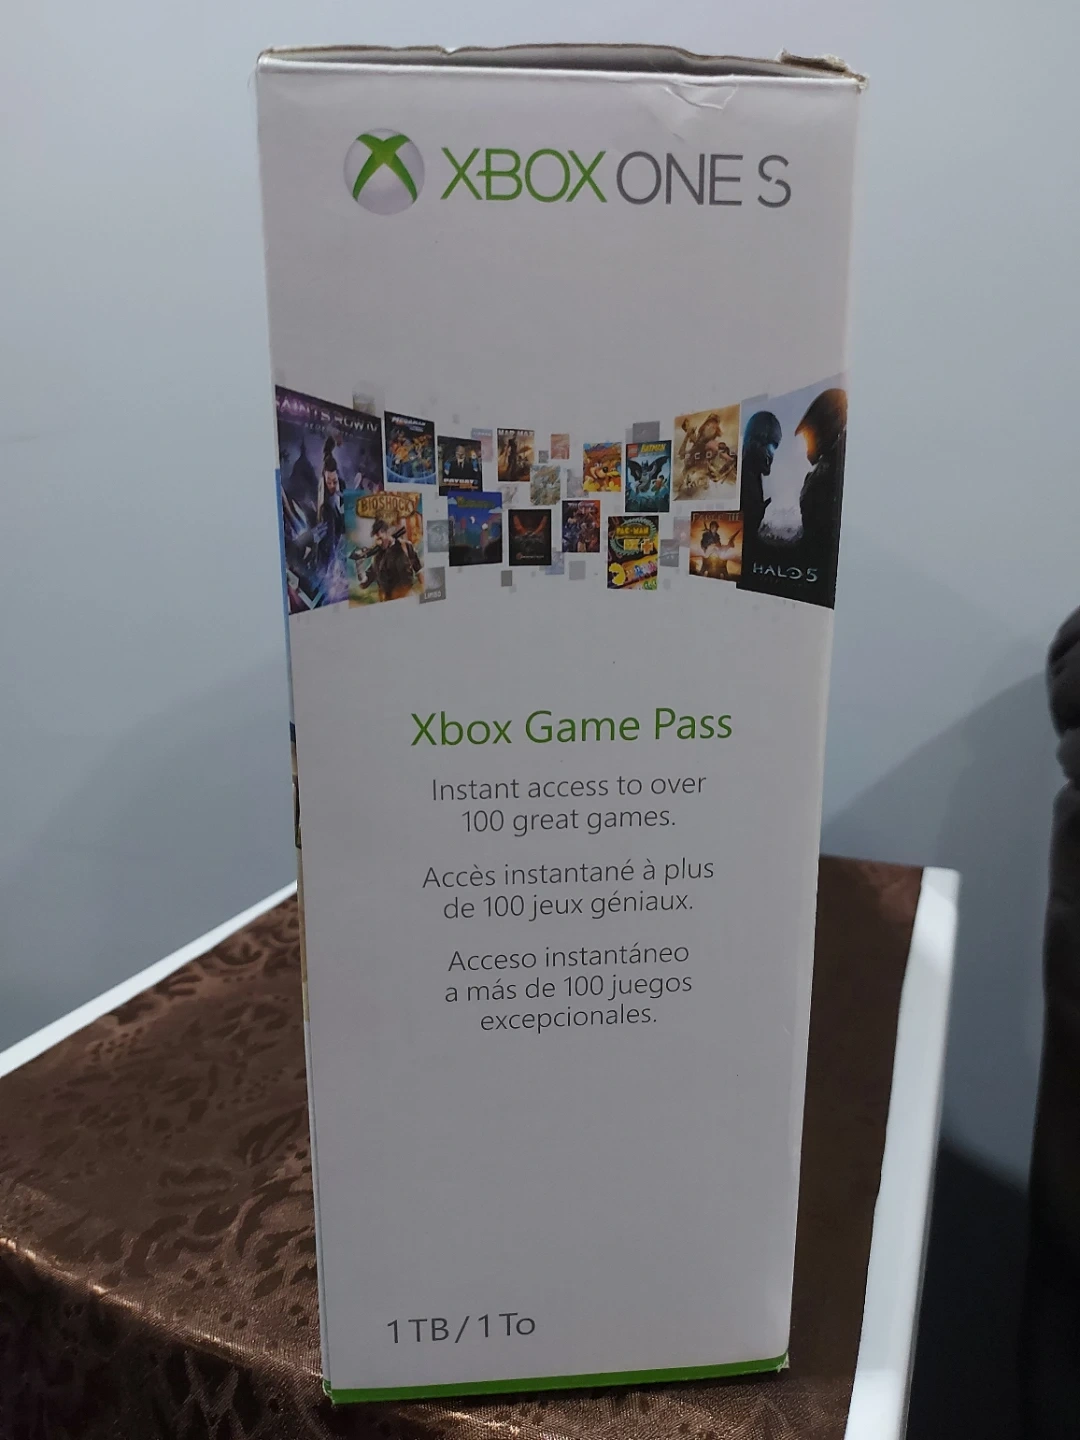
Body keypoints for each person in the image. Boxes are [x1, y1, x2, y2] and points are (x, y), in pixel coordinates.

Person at [355, 518, 420, 601]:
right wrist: (359, 567)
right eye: (377, 540)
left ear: (387, 532)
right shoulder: (378, 558)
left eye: (380, 538)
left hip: (407, 598)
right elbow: (364, 583)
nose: (379, 543)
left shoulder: (405, 546)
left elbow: (419, 571)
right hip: (388, 602)